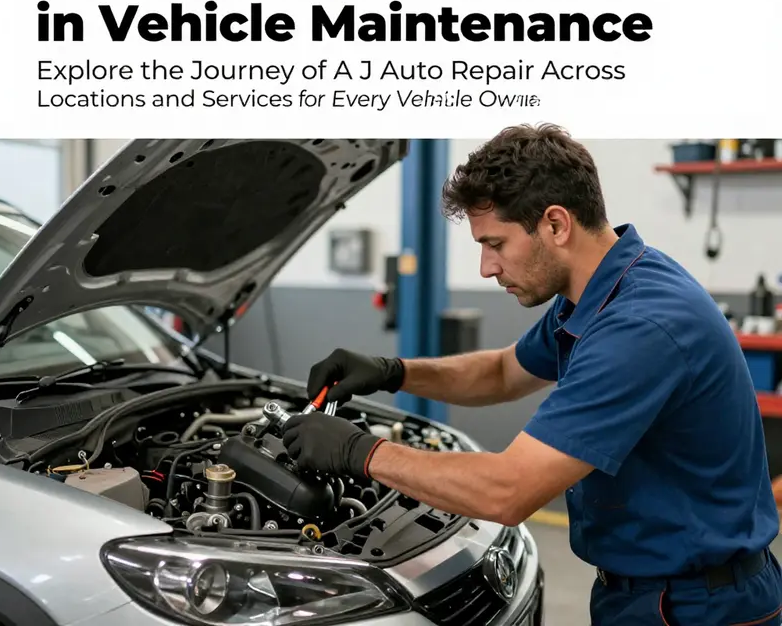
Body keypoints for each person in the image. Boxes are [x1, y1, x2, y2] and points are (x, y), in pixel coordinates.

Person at [281, 124, 782, 625]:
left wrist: (359, 452)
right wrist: (392, 372)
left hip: (698, 608)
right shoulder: (603, 289)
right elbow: (502, 371)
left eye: (495, 243)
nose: (485, 267)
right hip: (647, 590)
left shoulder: (639, 327)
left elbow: (508, 491)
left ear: (556, 225)